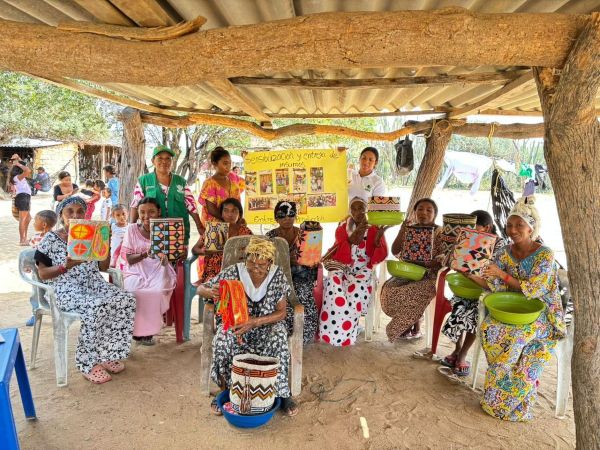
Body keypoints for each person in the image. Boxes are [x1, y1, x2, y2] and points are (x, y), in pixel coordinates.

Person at [475, 197, 565, 422]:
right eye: (509, 225)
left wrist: (502, 274)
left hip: (542, 314)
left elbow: (534, 289)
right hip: (512, 310)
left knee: (518, 336)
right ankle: (497, 394)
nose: (513, 230)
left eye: (519, 225)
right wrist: (467, 271)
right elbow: (494, 284)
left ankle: (511, 401)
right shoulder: (504, 252)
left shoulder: (545, 254)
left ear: (531, 228)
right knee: (489, 329)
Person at [34, 197, 136, 384]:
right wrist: (65, 266)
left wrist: (106, 242)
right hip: (66, 289)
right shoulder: (51, 238)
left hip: (93, 284)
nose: (75, 215)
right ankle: (88, 364)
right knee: (96, 306)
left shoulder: (92, 233)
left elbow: (103, 267)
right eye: (69, 211)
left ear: (86, 214)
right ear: (61, 215)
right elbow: (43, 274)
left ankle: (107, 354)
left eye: (80, 211)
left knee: (125, 299)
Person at [196, 237, 298, 417]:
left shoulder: (277, 276)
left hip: (266, 326)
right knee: (222, 339)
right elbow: (201, 288)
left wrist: (254, 321)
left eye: (261, 264)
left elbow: (282, 312)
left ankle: (282, 394)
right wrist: (209, 291)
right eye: (251, 262)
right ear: (246, 258)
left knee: (279, 336)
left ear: (269, 263)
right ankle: (227, 390)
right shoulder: (233, 272)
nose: (255, 268)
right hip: (237, 326)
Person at [440, 210, 506, 376]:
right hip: (468, 287)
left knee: (474, 313)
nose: (470, 231)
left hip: (486, 290)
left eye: (474, 227)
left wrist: (470, 272)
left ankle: (463, 354)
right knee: (459, 306)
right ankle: (457, 350)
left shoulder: (499, 245)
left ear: (487, 227)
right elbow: (456, 260)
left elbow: (492, 275)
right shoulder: (468, 239)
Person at [318, 197, 388, 346]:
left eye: (361, 208)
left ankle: (348, 329)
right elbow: (340, 251)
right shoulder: (343, 227)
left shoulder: (374, 228)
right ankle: (333, 329)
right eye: (354, 209)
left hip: (364, 268)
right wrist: (355, 235)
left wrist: (377, 243)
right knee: (333, 281)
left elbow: (381, 255)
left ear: (366, 209)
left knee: (355, 288)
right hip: (344, 265)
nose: (358, 212)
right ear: (350, 211)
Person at [381, 198, 443, 341]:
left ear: (435, 214)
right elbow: (395, 251)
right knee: (389, 290)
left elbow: (445, 257)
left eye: (429, 210)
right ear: (414, 212)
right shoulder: (410, 229)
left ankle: (409, 326)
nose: (424, 213)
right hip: (408, 272)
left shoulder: (441, 232)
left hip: (429, 276)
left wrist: (431, 263)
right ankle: (410, 323)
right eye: (420, 209)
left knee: (414, 291)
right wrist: (402, 231)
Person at [121, 198, 177, 346]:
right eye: (142, 212)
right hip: (136, 269)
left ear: (159, 212)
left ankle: (148, 332)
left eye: (151, 211)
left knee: (155, 291)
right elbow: (129, 259)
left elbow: (177, 254)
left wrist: (168, 257)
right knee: (133, 290)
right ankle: (137, 330)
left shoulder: (167, 229)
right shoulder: (131, 229)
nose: (146, 216)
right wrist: (145, 253)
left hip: (160, 268)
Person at [266, 201, 319, 345]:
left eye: (291, 214)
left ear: (296, 216)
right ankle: (283, 336)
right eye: (282, 215)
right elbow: (266, 262)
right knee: (282, 298)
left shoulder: (305, 234)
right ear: (276, 218)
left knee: (302, 294)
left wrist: (311, 261)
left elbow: (313, 258)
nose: (287, 219)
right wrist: (287, 261)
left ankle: (302, 336)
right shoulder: (270, 237)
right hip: (279, 278)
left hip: (302, 278)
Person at [130, 145, 202, 248]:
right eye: (160, 158)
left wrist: (199, 226)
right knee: (154, 257)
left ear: (172, 162)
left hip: (179, 233)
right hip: (153, 233)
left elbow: (191, 206)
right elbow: (135, 205)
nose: (164, 161)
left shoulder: (181, 182)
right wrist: (131, 229)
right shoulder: (143, 181)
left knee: (178, 258)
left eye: (168, 158)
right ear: (153, 161)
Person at [192, 198, 252, 286]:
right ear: (222, 214)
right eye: (226, 211)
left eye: (234, 211)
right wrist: (203, 251)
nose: (230, 214)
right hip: (214, 273)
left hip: (237, 271)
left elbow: (254, 250)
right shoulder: (213, 229)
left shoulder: (245, 231)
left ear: (239, 214)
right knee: (214, 286)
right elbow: (194, 249)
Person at [26, 209, 57, 326]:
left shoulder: (55, 238)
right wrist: (28, 265)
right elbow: (31, 254)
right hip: (37, 272)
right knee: (36, 293)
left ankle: (56, 312)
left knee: (52, 293)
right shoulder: (35, 237)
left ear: (43, 224)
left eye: (35, 221)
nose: (33, 223)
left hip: (52, 273)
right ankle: (35, 313)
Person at [198, 147, 243, 224]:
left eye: (230, 163)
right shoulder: (209, 183)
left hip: (231, 225)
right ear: (215, 163)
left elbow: (238, 206)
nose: (228, 166)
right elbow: (211, 209)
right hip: (213, 226)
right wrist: (228, 220)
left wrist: (239, 219)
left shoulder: (234, 185)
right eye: (225, 163)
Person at [9, 155, 32, 245]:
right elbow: (28, 170)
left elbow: (24, 165)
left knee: (28, 218)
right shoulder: (18, 177)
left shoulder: (17, 177)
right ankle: (22, 240)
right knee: (23, 219)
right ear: (19, 170)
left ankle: (24, 238)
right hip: (23, 198)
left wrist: (18, 159)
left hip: (23, 197)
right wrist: (18, 164)